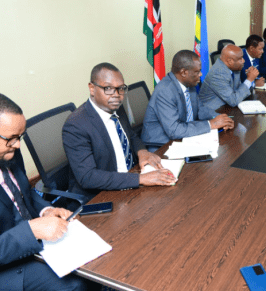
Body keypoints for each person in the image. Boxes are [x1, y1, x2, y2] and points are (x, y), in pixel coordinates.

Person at [0, 94, 89, 290]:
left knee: (92, 265)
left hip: (34, 244)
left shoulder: (9, 151)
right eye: (11, 139)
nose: (18, 145)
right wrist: (32, 230)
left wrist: (46, 211)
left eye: (19, 137)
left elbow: (24, 191)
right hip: (6, 267)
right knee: (75, 284)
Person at [63, 63, 177, 200]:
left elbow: (131, 135)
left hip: (130, 181)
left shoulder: (115, 107)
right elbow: (88, 177)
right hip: (100, 197)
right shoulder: (76, 125)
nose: (117, 95)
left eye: (121, 89)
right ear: (92, 88)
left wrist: (143, 152)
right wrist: (140, 179)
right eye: (108, 88)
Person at [141, 50, 234, 152]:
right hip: (162, 145)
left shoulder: (189, 83)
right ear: (184, 72)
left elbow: (200, 109)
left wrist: (221, 119)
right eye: (197, 72)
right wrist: (211, 124)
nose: (201, 74)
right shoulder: (165, 90)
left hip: (183, 137)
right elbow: (174, 130)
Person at [199, 44, 258, 110]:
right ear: (230, 61)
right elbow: (233, 100)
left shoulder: (235, 68)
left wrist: (249, 77)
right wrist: (249, 80)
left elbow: (237, 92)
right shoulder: (218, 73)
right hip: (212, 111)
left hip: (227, 106)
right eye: (240, 59)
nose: (243, 61)